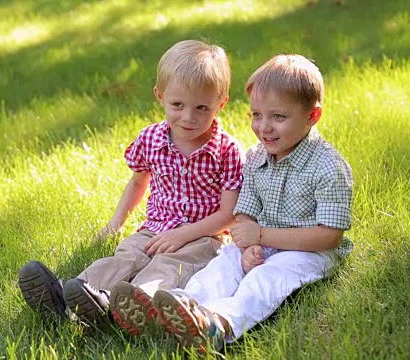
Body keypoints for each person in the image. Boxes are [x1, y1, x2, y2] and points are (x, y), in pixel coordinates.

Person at [119, 54, 354, 355]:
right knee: (220, 269)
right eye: (256, 115)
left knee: (265, 280)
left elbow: (328, 237)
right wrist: (248, 242)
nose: (264, 127)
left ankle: (218, 324)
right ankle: (176, 310)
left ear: (312, 115)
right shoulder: (257, 157)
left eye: (278, 117)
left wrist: (261, 237)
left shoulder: (328, 167)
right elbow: (244, 212)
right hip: (259, 243)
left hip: (307, 251)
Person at [18, 39, 244, 332]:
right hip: (154, 228)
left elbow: (230, 213)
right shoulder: (151, 138)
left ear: (221, 103)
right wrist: (115, 223)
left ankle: (130, 308)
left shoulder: (227, 151)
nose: (188, 117)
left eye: (202, 107)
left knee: (165, 267)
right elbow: (139, 181)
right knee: (126, 257)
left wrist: (185, 233)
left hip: (203, 238)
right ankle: (69, 295)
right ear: (159, 96)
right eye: (177, 105)